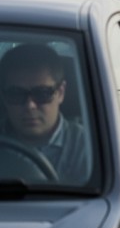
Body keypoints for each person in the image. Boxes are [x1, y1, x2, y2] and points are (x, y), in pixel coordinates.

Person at [0, 43, 90, 183]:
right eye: (16, 94)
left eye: (42, 93)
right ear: (4, 97)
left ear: (61, 93)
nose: (30, 105)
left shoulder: (89, 149)